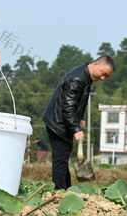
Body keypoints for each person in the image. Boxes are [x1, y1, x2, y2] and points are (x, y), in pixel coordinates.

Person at [42, 56, 115, 190]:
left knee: (63, 158)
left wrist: (80, 118)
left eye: (106, 77)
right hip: (58, 123)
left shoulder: (86, 77)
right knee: (60, 160)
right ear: (96, 64)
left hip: (65, 122)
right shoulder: (78, 78)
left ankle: (67, 189)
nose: (103, 78)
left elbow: (80, 101)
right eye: (103, 73)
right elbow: (68, 107)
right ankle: (60, 192)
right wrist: (76, 128)